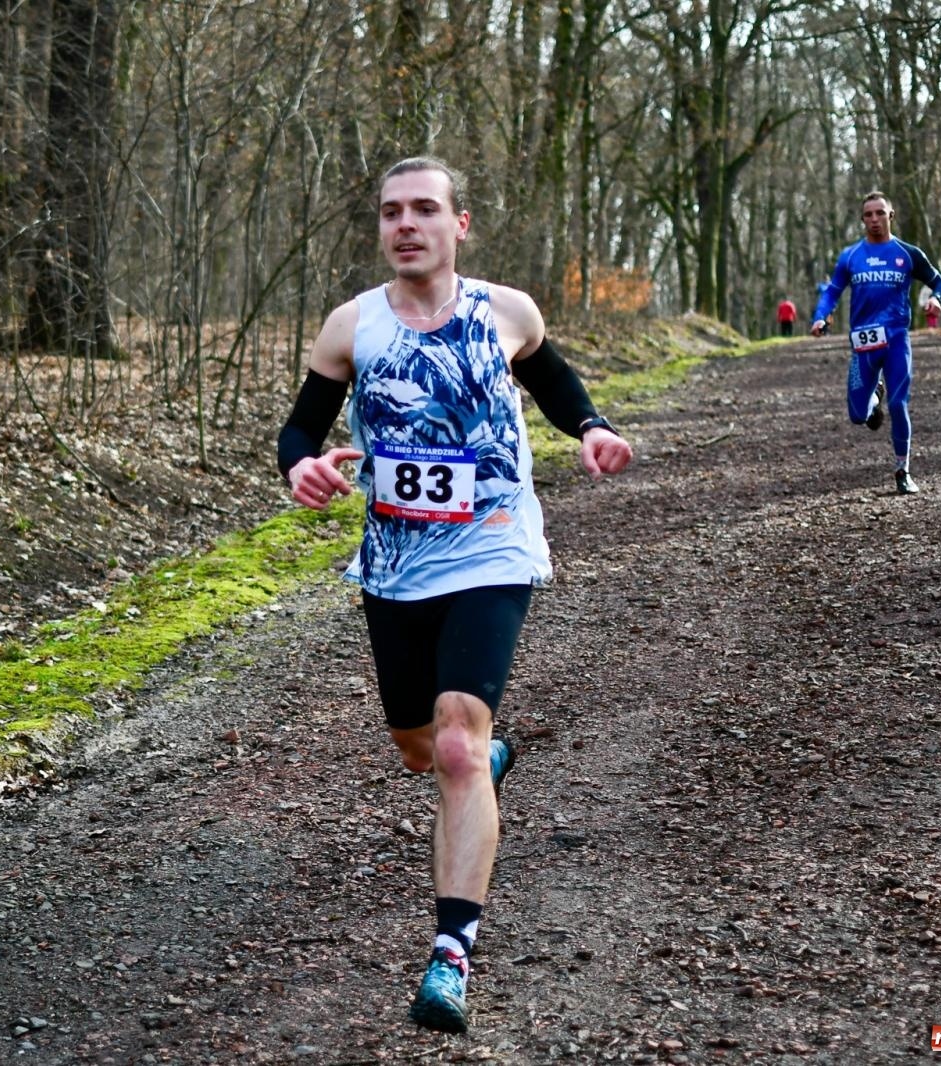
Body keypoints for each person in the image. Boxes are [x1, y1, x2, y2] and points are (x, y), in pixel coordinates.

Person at [275, 156, 632, 1034]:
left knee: (461, 750)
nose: (407, 224)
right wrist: (304, 468)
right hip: (395, 564)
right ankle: (471, 763)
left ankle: (450, 955)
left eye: (425, 209)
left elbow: (552, 381)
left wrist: (592, 427)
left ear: (458, 224)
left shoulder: (505, 311)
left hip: (494, 548)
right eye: (392, 212)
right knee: (419, 748)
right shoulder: (351, 326)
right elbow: (299, 427)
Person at [811, 191, 941, 495]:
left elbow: (940, 281)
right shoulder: (851, 256)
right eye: (868, 215)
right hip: (863, 344)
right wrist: (821, 315)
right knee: (858, 416)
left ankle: (903, 470)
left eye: (879, 213)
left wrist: (937, 299)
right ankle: (875, 394)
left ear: (891, 215)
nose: (874, 219)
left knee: (899, 405)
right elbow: (832, 291)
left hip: (897, 340)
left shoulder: (908, 253)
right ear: (862, 219)